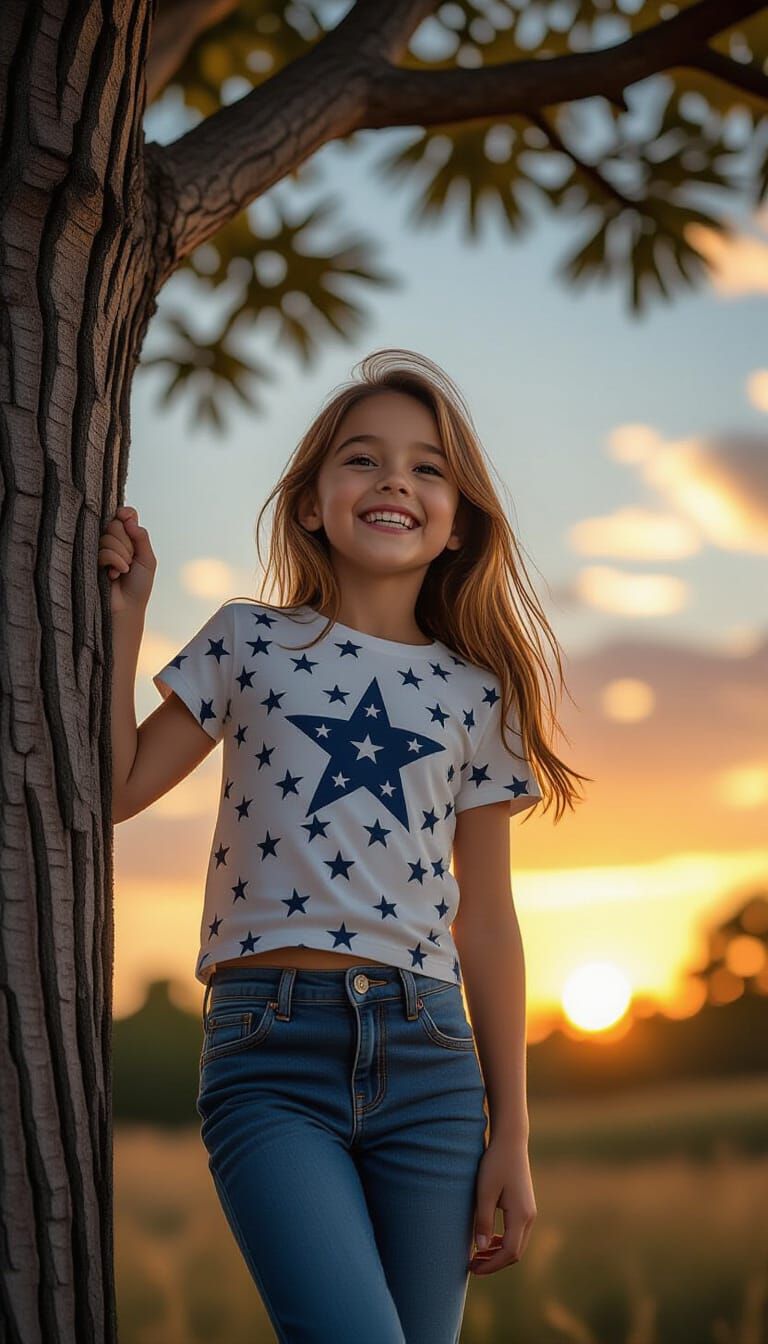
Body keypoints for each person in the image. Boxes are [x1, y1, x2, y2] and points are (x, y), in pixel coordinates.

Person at [101, 348, 589, 1343]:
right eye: (363, 459)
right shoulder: (247, 642)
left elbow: (489, 922)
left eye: (427, 468)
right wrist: (126, 618)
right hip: (269, 1054)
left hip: (432, 1062)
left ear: (458, 522)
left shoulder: (479, 693)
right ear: (311, 504)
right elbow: (115, 788)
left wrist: (514, 1134)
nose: (395, 481)